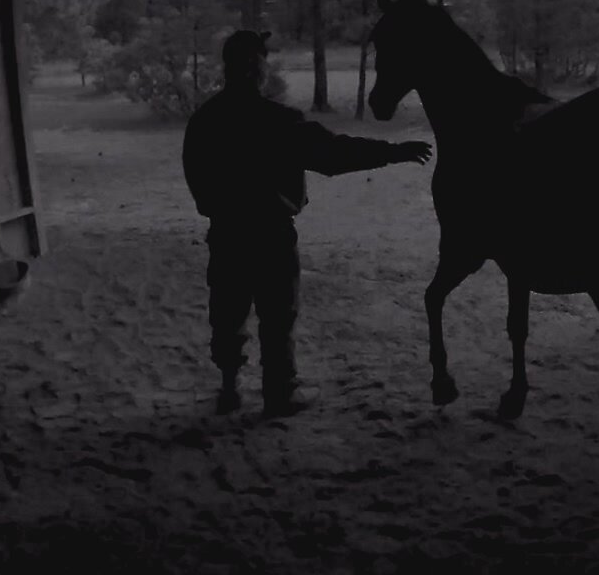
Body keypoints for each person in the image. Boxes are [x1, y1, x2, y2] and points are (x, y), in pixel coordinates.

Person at [183, 30, 433, 417]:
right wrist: (392, 152)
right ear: (256, 70)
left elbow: (196, 177)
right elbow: (334, 154)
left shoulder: (204, 121)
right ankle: (279, 392)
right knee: (278, 313)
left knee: (228, 309)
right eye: (263, 62)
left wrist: (217, 207)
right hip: (271, 232)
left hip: (227, 231)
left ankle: (229, 388)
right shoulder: (280, 121)